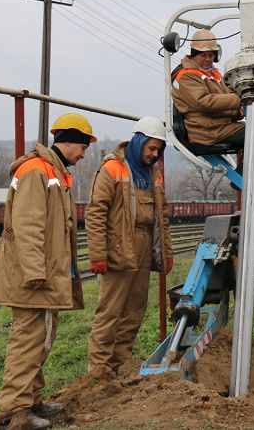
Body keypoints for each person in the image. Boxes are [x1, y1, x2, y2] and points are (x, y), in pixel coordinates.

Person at [0, 113, 95, 430]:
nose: (84, 154)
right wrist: (34, 272)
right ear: (69, 141)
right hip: (33, 276)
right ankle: (15, 413)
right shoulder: (36, 170)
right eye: (83, 147)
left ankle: (31, 400)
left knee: (41, 337)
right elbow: (28, 225)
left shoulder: (53, 171)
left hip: (45, 273)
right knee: (28, 340)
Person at [85, 116, 174, 378]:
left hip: (144, 244)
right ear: (138, 142)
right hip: (120, 245)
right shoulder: (112, 168)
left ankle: (120, 364)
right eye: (151, 148)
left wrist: (166, 252)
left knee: (135, 309)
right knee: (110, 310)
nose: (154, 154)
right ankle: (99, 370)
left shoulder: (154, 173)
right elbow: (96, 213)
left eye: (159, 150)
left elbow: (163, 216)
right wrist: (98, 254)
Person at [171, 29, 244, 148]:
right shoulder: (186, 76)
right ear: (194, 54)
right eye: (203, 55)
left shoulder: (213, 73)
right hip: (207, 131)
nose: (208, 59)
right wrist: (241, 100)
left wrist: (242, 106)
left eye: (211, 55)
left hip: (222, 126)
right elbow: (205, 102)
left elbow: (228, 95)